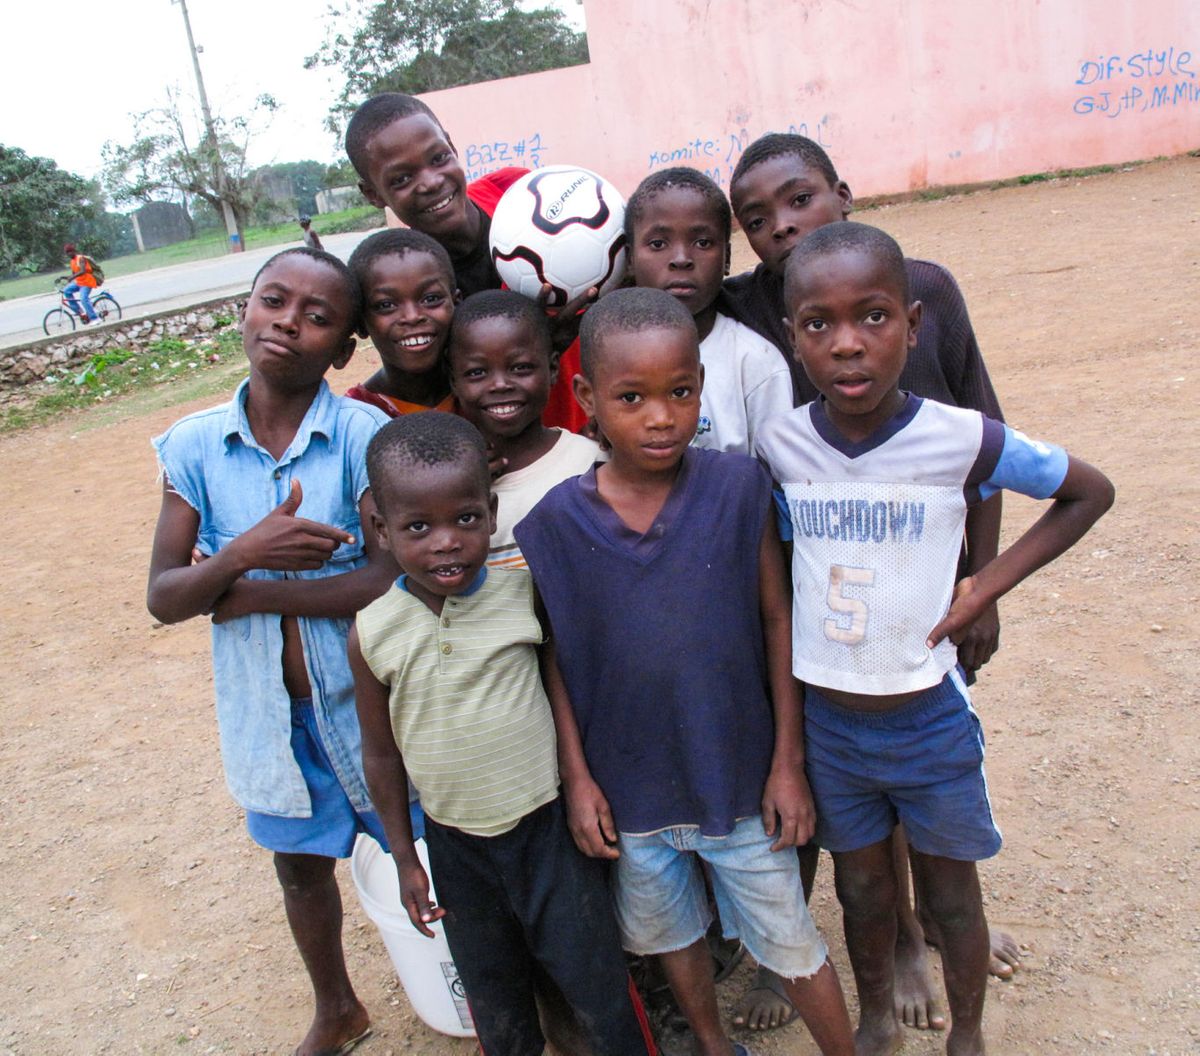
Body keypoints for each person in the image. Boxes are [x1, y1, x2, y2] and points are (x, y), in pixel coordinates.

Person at [756, 222, 1114, 1056]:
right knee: (862, 892)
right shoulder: (779, 446)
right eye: (819, 324)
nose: (848, 344)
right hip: (831, 728)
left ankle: (969, 1036)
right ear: (793, 338)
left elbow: (1088, 492)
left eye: (874, 317)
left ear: (914, 325)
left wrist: (984, 583)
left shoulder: (961, 436)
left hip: (928, 722)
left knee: (952, 898)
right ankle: (877, 1017)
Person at [721, 132, 1015, 1032]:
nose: (782, 226)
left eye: (800, 199)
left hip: (925, 588)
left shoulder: (924, 288)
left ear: (843, 194)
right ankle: (897, 945)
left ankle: (935, 932)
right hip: (833, 595)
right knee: (853, 794)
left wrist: (983, 584)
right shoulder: (754, 310)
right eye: (756, 219)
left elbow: (983, 442)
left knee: (929, 769)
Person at [515, 288, 856, 1056]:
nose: (661, 417)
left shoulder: (737, 489)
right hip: (630, 791)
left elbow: (778, 619)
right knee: (671, 935)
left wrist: (788, 762)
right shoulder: (557, 523)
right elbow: (556, 656)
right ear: (587, 398)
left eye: (679, 392)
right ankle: (711, 1043)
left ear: (701, 386)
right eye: (631, 398)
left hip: (738, 778)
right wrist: (579, 779)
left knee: (791, 941)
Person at [146, 247, 397, 1056]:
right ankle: (337, 1007)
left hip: (372, 710)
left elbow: (388, 575)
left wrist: (247, 592)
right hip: (270, 716)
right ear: (245, 311)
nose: (288, 323)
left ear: (344, 348)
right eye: (274, 301)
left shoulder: (362, 435)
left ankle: (474, 986)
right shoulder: (193, 448)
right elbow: (165, 596)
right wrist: (242, 553)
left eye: (317, 317)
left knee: (427, 851)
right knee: (298, 870)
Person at [348, 412, 655, 1056]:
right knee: (497, 1003)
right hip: (457, 849)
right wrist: (405, 857)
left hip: (548, 834)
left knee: (599, 988)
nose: (446, 543)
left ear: (490, 515)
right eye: (417, 527)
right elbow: (380, 754)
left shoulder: (523, 595)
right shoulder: (373, 631)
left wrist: (579, 785)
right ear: (381, 530)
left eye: (465, 519)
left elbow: (561, 690)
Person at [344, 92, 591, 433]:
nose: (431, 182)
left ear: (451, 144)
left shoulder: (521, 195)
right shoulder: (413, 291)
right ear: (372, 194)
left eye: (438, 158)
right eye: (401, 179)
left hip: (597, 431)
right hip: (522, 452)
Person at [626, 168, 792, 456]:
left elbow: (775, 469)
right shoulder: (611, 353)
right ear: (630, 259)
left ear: (727, 258)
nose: (681, 259)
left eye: (702, 243)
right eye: (658, 244)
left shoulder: (755, 362)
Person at [447, 289, 600, 569]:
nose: (500, 385)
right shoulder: (450, 484)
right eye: (477, 372)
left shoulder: (592, 462)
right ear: (454, 382)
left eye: (520, 368)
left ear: (552, 369)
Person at [345, 228, 460, 418]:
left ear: (456, 303)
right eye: (386, 305)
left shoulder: (486, 394)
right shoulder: (354, 419)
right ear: (360, 323)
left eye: (431, 299)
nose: (412, 316)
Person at [61, 243, 99, 323]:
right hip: (79, 282)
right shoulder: (72, 261)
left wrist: (72, 277)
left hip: (87, 282)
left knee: (83, 299)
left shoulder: (80, 258)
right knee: (66, 291)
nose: (69, 254)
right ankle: (80, 311)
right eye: (67, 252)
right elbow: (74, 274)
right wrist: (65, 277)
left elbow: (82, 271)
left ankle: (95, 318)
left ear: (74, 251)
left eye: (70, 251)